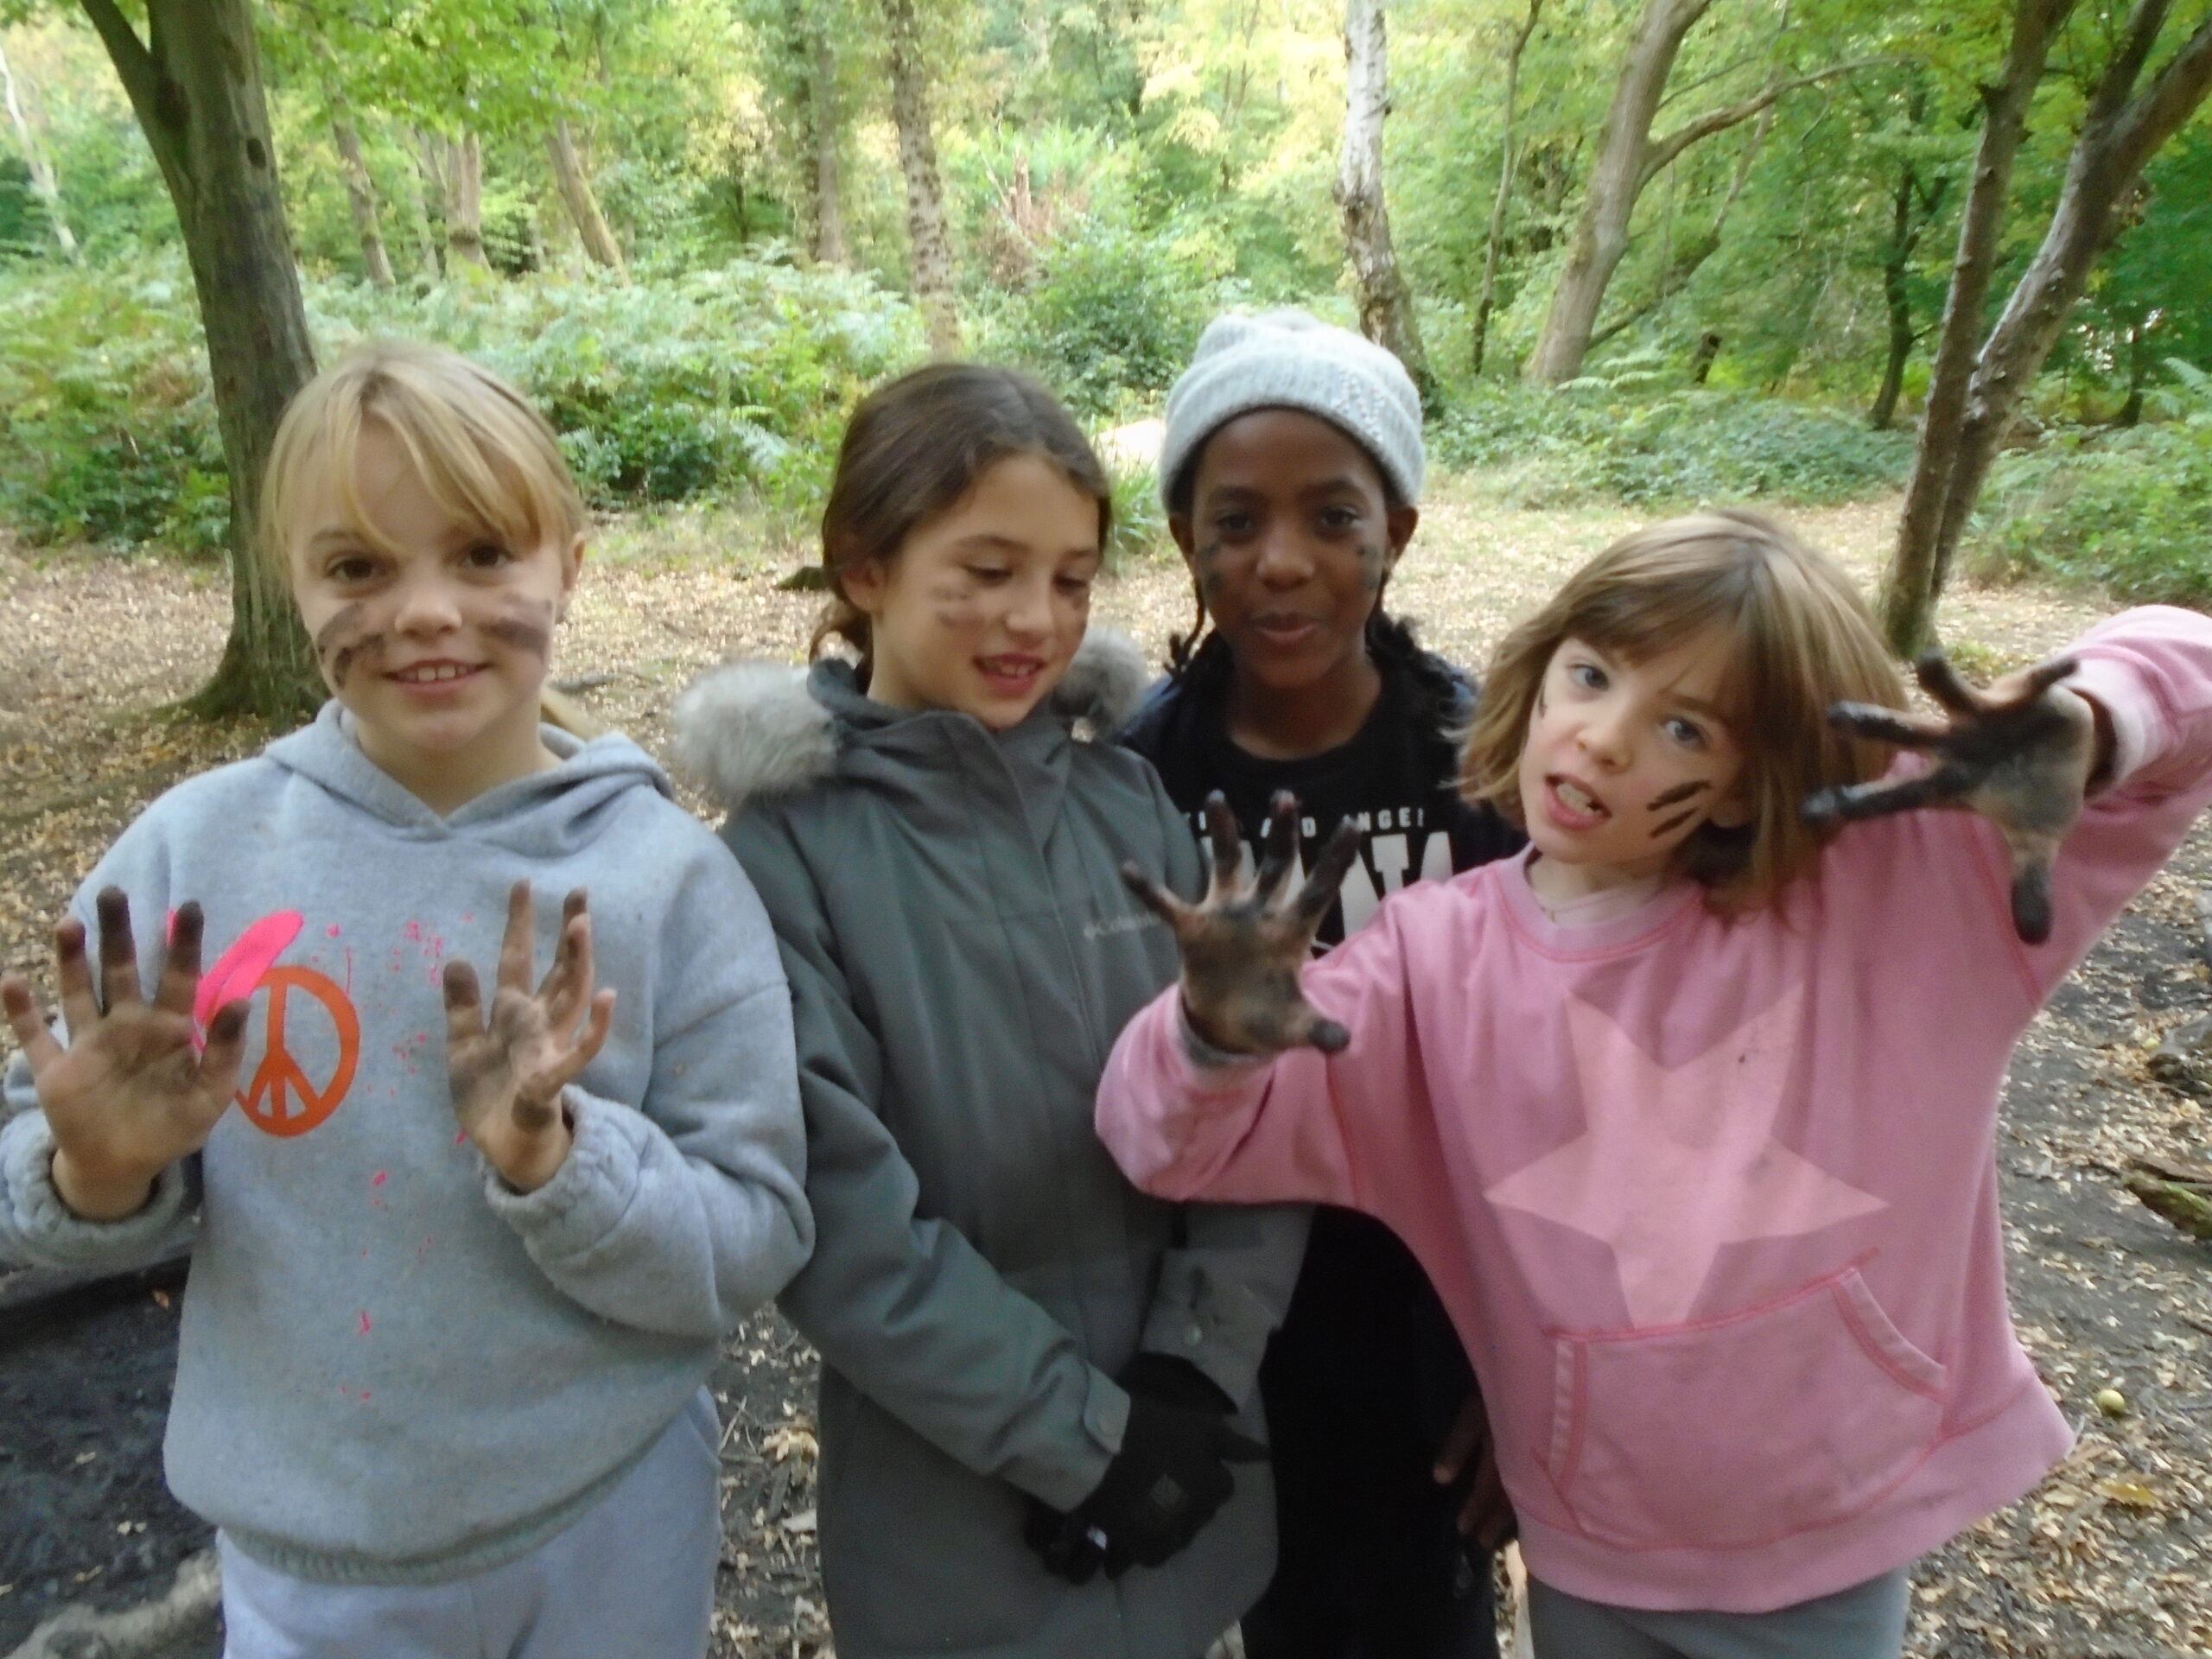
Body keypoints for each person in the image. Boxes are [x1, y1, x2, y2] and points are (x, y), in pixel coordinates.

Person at [1095, 508, 2212, 1659]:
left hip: (1833, 1538)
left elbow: (2193, 663)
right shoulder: (1427, 967)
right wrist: (1211, 1033)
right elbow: (1163, 1143)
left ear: (1744, 781)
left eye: (1683, 726)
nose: (1605, 739)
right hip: (1593, 1549)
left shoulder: (1900, 886)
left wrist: (2089, 723)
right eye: (1590, 676)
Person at [0, 341, 813, 1659]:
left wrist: (558, 1162)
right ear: (292, 586)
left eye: (483, 554)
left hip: (608, 1519)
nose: (426, 611)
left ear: (570, 565)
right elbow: (31, 1162)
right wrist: (96, 1171)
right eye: (359, 568)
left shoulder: (669, 880)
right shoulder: (197, 859)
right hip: (312, 1562)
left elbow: (757, 1232)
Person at [671, 362, 1308, 1659]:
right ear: (865, 567)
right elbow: (843, 1221)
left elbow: (1256, 1095)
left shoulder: (1130, 807)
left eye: (1072, 579)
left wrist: (1192, 1372)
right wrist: (1086, 1444)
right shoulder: (783, 861)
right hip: (953, 1520)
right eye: (988, 570)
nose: (1036, 619)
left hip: (1187, 1479)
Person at [1117, 310, 1522, 1659]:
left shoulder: (1486, 768)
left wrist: (1519, 1366)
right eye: (1235, 521)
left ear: (1395, 531)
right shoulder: (1140, 781)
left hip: (1429, 1332)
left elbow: (1556, 1076)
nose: (1281, 560)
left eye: (1332, 517)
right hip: (1217, 1328)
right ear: (1187, 539)